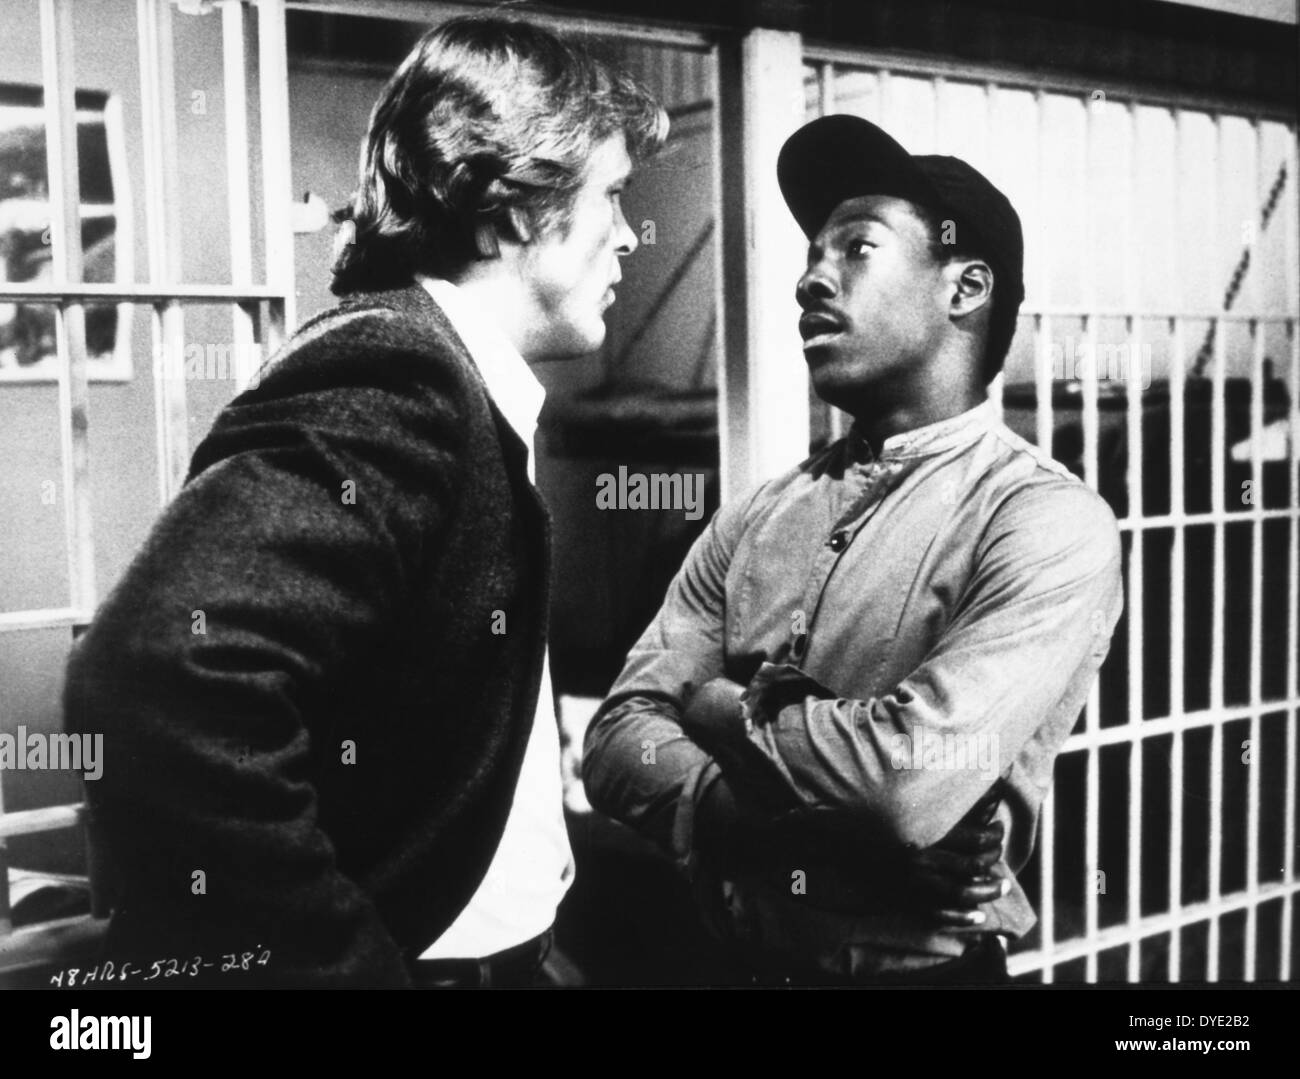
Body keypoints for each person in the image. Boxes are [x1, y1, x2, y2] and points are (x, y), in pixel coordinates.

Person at [63, 15, 666, 988]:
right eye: (612, 195)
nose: (631, 236)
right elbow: (156, 676)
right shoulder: (401, 375)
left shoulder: (439, 375)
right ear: (516, 209)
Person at [582, 114, 1124, 985]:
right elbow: (616, 741)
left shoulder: (1045, 522)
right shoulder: (756, 513)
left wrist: (720, 710)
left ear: (965, 287)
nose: (810, 281)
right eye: (808, 257)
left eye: (856, 249)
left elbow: (903, 783)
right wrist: (789, 838)